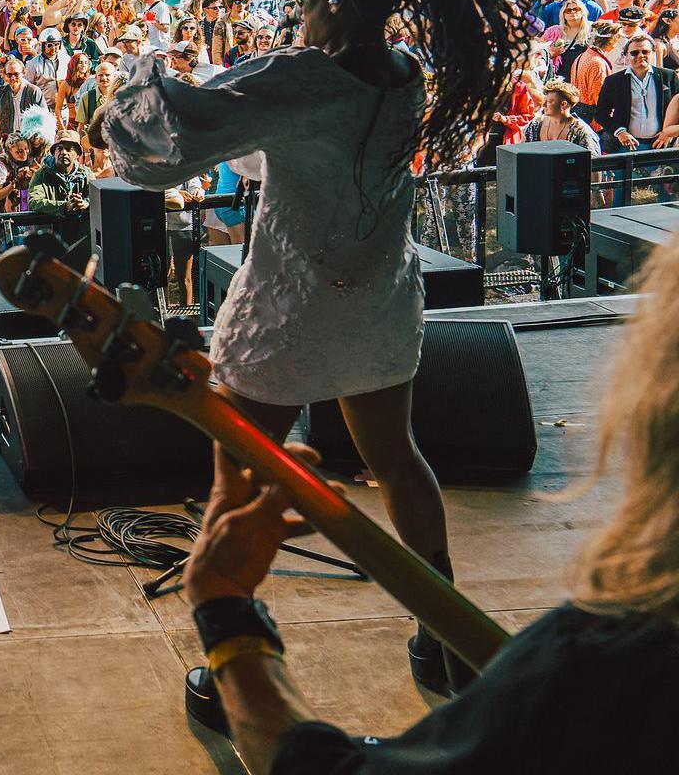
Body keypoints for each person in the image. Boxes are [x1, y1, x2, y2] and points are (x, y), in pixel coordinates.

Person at [92, 0, 525, 721]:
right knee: (398, 458)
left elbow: (172, 136)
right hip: (378, 307)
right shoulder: (405, 74)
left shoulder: (298, 79)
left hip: (288, 315)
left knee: (235, 482)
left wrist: (124, 90)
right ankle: (446, 635)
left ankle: (235, 657)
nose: (301, 2)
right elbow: (283, 144)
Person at [183, 232, 679, 773]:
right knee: (396, 456)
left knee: (240, 468)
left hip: (293, 270)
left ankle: (220, 673)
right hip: (377, 274)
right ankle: (442, 635)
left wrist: (226, 618)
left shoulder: (610, 658)